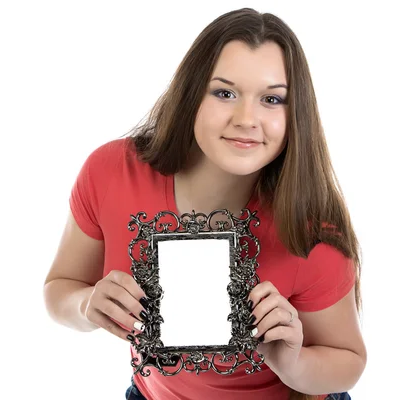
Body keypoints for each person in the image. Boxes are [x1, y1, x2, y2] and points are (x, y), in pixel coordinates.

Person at [43, 7, 366, 400]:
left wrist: (291, 361)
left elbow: (347, 364)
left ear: (294, 113)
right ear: (192, 92)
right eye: (225, 93)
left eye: (272, 99)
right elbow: (60, 288)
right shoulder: (111, 173)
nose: (247, 118)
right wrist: (85, 305)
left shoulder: (309, 227)